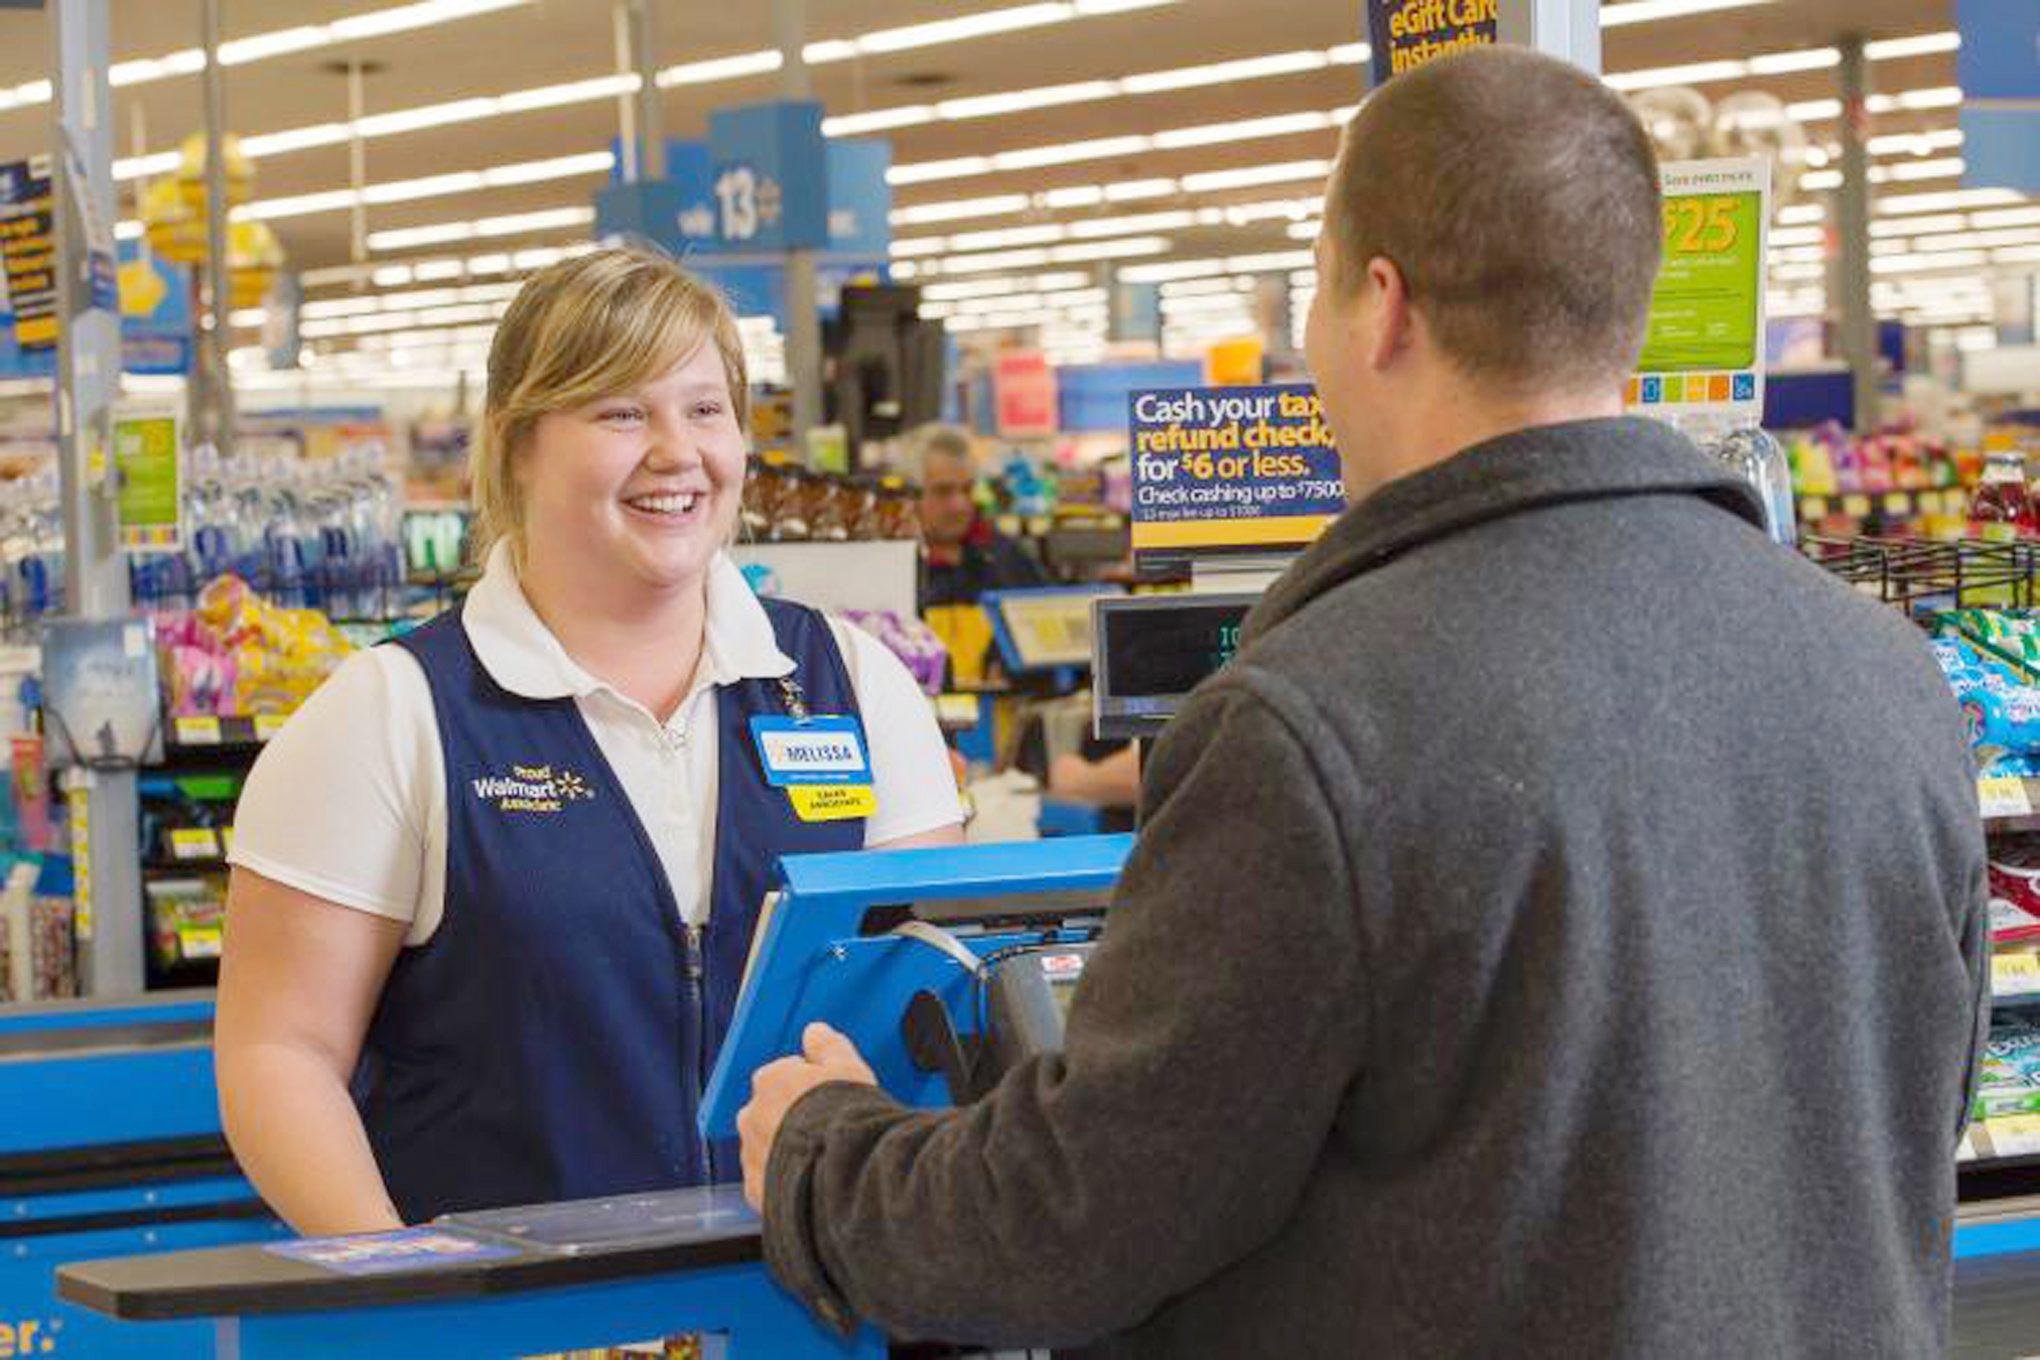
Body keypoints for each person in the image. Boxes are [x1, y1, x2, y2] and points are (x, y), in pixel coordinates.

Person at [736, 47, 1988, 1358]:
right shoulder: (1888, 676)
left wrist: (827, 1151)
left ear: (1382, 308)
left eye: (1317, 297)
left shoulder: (1312, 729)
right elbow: (1910, 1117)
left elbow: (1072, 1224)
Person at [216, 247, 964, 1235]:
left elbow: (925, 1017)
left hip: (816, 1308)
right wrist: (407, 1283)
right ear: (518, 443)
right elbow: (280, 1050)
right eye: (621, 412)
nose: (677, 450)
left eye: (705, 409)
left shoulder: (854, 687)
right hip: (525, 1322)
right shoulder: (394, 716)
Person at [911, 424, 1048, 610]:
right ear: (909, 497)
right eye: (942, 491)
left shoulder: (1005, 556)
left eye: (967, 490)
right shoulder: (892, 567)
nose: (959, 505)